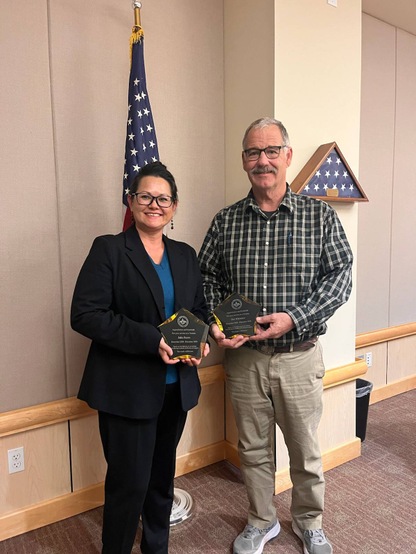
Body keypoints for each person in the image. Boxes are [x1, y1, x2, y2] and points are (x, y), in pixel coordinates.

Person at [198, 117, 353, 554]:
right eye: (252, 152)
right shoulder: (226, 221)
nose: (261, 160)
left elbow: (340, 276)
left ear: (287, 156)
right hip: (244, 360)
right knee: (253, 449)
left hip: (298, 355)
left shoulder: (318, 216)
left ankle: (309, 522)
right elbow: (205, 278)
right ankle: (261, 521)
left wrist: (296, 317)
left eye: (270, 151)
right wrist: (216, 322)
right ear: (243, 160)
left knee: (305, 451)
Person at [71, 161, 209, 554]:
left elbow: (197, 309)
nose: (154, 204)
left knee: (161, 480)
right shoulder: (110, 249)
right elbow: (85, 314)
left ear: (174, 207)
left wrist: (199, 341)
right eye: (145, 196)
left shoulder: (184, 255)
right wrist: (152, 340)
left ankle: (156, 548)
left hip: (175, 390)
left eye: (163, 198)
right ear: (130, 201)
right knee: (128, 485)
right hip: (126, 391)